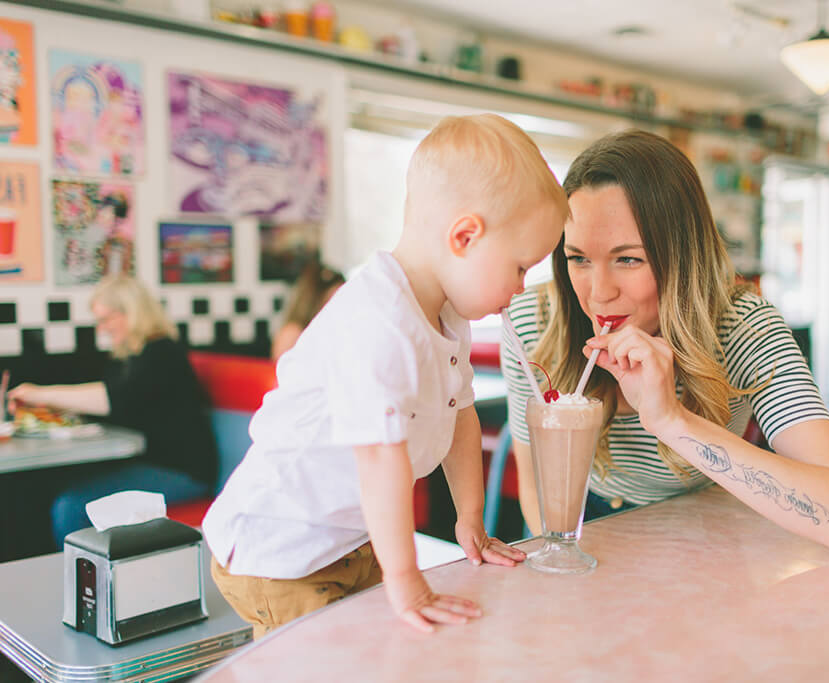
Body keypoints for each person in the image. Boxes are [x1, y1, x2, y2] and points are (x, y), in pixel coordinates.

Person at [202, 114, 567, 637]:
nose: (521, 287)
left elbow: (460, 414)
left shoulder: (447, 314)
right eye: (519, 267)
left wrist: (470, 519)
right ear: (465, 236)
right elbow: (379, 456)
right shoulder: (377, 320)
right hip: (278, 552)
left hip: (348, 541)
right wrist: (405, 578)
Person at [501, 130, 829, 564]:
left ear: (681, 255)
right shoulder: (533, 321)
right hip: (582, 525)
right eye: (578, 259)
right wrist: (562, 555)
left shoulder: (745, 329)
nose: (598, 294)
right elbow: (536, 479)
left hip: (704, 525)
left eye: (629, 259)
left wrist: (671, 420)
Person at [8, 275, 217, 546]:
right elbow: (110, 396)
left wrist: (40, 393)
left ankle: (82, 580)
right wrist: (46, 405)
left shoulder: (162, 353)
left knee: (71, 507)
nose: (102, 329)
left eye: (106, 319)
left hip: (184, 471)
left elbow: (113, 398)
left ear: (132, 312)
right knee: (48, 491)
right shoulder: (131, 355)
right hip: (152, 461)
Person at [271, 259, 345, 361]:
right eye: (332, 300)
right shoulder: (292, 333)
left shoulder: (333, 331)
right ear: (314, 300)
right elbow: (280, 373)